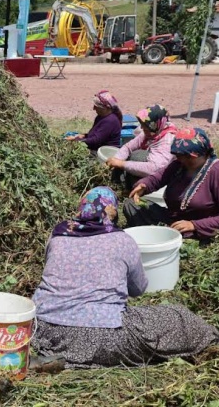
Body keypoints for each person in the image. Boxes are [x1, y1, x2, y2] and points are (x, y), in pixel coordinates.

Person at [31, 186, 218, 369]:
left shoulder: (58, 234)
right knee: (178, 317)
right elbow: (138, 288)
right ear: (111, 211)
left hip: (40, 327)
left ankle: (55, 356)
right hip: (101, 335)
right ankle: (211, 339)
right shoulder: (122, 240)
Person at [124, 127, 219, 241]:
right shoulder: (178, 165)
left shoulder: (215, 172)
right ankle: (158, 237)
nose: (181, 159)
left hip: (197, 229)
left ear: (199, 154)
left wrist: (194, 225)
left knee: (185, 236)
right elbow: (158, 178)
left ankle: (166, 239)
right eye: (178, 155)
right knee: (132, 205)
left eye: (186, 156)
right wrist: (144, 185)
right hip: (171, 219)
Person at [106, 105, 177, 190]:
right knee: (121, 161)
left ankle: (131, 188)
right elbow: (128, 147)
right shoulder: (151, 132)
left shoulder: (167, 141)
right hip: (146, 173)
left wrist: (122, 164)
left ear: (155, 125)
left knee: (137, 156)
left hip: (159, 181)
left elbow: (153, 168)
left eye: (145, 127)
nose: (142, 128)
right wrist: (115, 160)